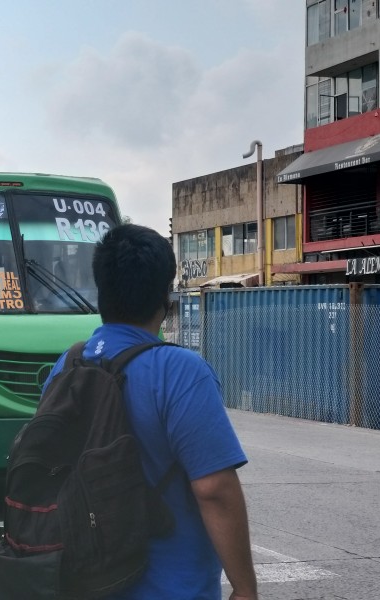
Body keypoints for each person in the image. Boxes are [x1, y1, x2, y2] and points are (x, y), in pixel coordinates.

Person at [44, 224, 258, 600]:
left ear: (101, 293)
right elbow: (214, 490)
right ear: (166, 296)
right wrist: (244, 588)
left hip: (81, 583)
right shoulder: (180, 371)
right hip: (168, 588)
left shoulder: (67, 365)